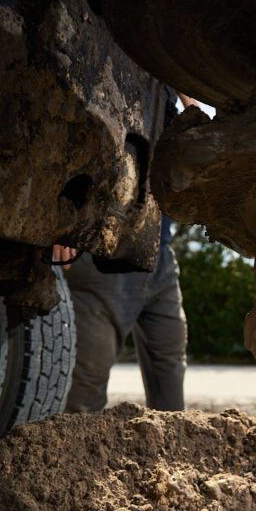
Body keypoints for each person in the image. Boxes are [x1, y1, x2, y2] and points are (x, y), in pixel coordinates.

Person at [55, 92, 200, 413]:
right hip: (102, 257)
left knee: (170, 365)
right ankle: (80, 443)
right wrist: (62, 218)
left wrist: (190, 102)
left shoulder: (165, 106)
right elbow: (77, 134)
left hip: (159, 258)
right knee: (86, 386)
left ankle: (168, 440)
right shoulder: (113, 85)